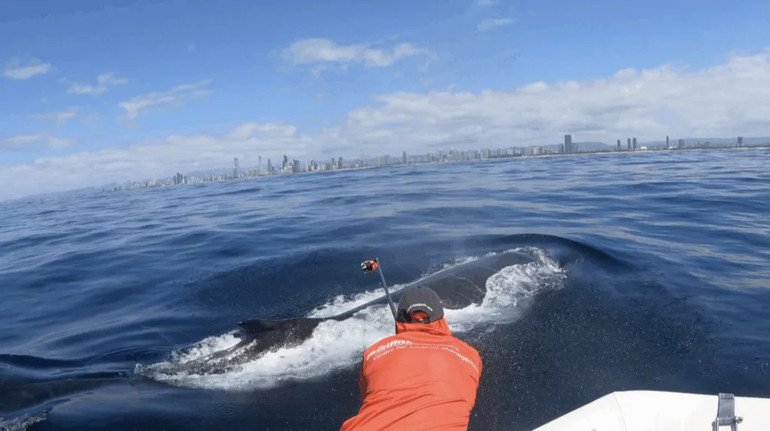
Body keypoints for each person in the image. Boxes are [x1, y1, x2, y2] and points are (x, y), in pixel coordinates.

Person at [340, 285, 482, 431]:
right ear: (441, 320)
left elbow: (367, 396)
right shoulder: (470, 355)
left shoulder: (373, 353)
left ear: (400, 320)